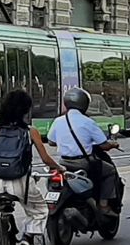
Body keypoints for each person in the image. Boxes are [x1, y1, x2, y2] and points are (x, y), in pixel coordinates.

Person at [0, 89, 59, 245]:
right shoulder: (30, 131)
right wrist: (59, 168)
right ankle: (28, 239)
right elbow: (46, 159)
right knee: (40, 210)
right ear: (26, 110)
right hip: (19, 182)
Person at [52, 86, 121, 219]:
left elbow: (50, 141)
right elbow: (103, 145)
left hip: (63, 162)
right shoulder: (88, 122)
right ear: (84, 104)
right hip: (83, 163)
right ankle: (103, 205)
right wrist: (113, 144)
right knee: (110, 171)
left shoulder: (58, 121)